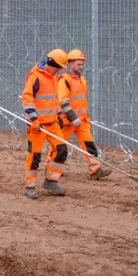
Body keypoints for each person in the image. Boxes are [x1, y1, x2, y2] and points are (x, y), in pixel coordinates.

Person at [21, 48, 70, 198]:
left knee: (61, 150)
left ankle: (51, 181)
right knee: (35, 155)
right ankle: (30, 186)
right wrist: (34, 119)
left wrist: (59, 115)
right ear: (52, 64)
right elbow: (27, 99)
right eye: (59, 68)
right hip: (37, 125)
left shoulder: (53, 76)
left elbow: (52, 99)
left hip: (52, 122)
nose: (59, 71)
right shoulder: (35, 77)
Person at [58, 49, 112, 181]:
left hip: (82, 121)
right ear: (70, 64)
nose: (81, 67)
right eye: (78, 64)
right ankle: (51, 168)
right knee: (58, 146)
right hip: (67, 121)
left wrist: (81, 117)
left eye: (82, 64)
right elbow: (63, 101)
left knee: (89, 144)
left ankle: (95, 170)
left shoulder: (82, 80)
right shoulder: (64, 80)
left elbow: (81, 101)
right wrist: (73, 117)